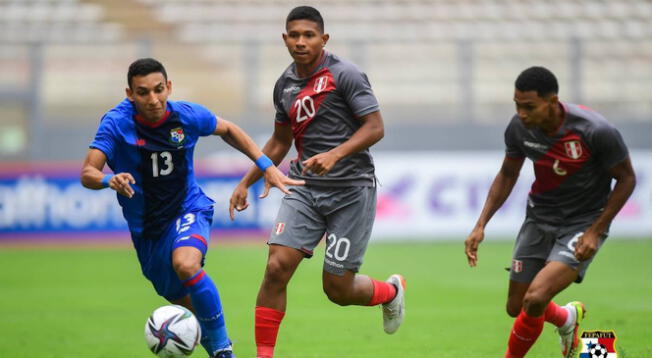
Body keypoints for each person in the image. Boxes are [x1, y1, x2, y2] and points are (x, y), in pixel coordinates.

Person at [80, 58, 303, 358]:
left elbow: (229, 129)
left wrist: (265, 166)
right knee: (189, 308)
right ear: (130, 94)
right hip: (148, 232)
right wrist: (109, 179)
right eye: (143, 92)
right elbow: (87, 173)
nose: (153, 99)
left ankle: (223, 349)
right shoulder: (117, 123)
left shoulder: (186, 116)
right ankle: (220, 353)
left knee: (186, 264)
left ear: (169, 87)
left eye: (159, 90)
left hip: (188, 208)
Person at [228, 6, 406, 358]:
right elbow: (280, 142)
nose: (300, 42)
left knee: (337, 289)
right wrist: (248, 180)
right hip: (303, 188)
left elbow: (375, 127)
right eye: (293, 35)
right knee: (276, 267)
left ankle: (391, 293)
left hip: (351, 190)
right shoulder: (285, 85)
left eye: (308, 35)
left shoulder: (346, 75)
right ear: (284, 39)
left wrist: (335, 155)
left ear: (323, 39)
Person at [464, 66, 636, 358]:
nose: (521, 114)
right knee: (517, 307)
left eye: (529, 106)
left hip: (582, 222)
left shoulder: (595, 131)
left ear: (552, 101)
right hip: (539, 217)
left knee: (536, 297)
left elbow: (627, 178)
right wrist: (480, 224)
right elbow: (508, 173)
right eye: (517, 105)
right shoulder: (518, 128)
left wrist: (595, 230)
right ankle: (567, 318)